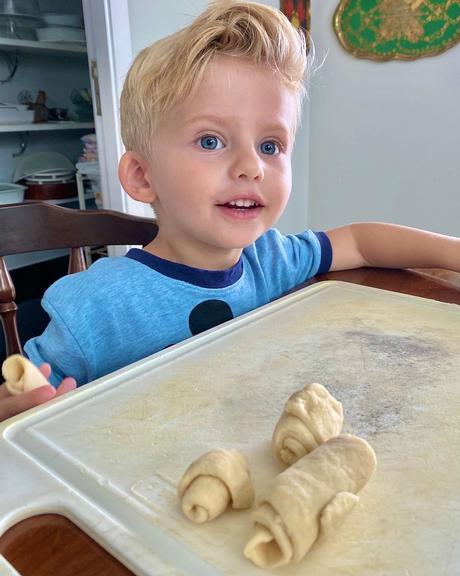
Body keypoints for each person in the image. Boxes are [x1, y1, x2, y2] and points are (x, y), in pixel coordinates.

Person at [1, 1, 459, 422]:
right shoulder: (92, 309)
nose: (251, 167)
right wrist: (19, 410)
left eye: (270, 145)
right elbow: (27, 411)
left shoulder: (271, 260)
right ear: (142, 176)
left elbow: (359, 240)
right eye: (211, 141)